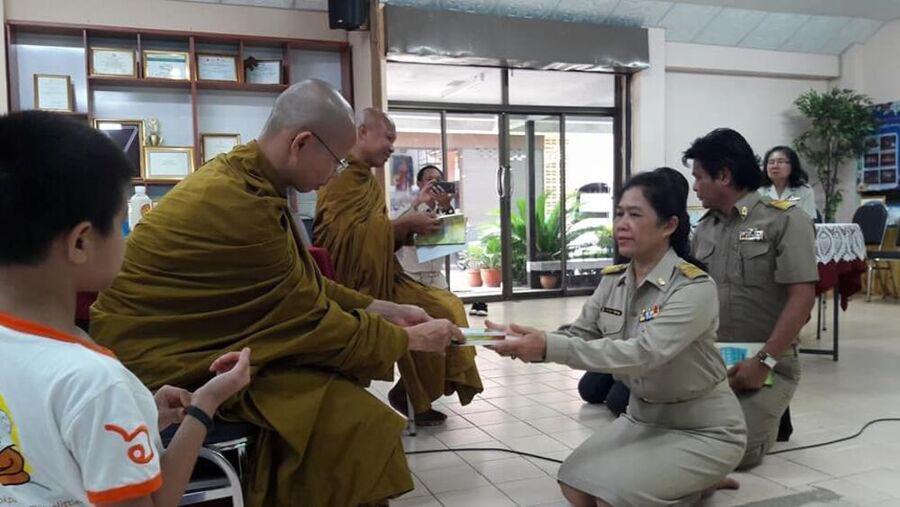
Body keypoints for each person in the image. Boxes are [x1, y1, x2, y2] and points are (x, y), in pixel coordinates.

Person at [90, 80, 463, 506]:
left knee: (347, 404)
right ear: (302, 144)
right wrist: (408, 339)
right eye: (336, 161)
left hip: (206, 341)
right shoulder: (238, 200)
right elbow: (307, 317)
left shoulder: (250, 178)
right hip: (164, 363)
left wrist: (386, 309)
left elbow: (301, 283)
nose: (334, 174)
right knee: (359, 423)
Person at [0, 110, 251, 505]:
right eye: (121, 224)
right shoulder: (98, 383)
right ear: (80, 242)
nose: (125, 238)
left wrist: (143, 414)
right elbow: (158, 500)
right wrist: (204, 405)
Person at [486, 167, 747, 506]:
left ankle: (698, 475)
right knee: (574, 486)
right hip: (642, 419)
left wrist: (548, 347)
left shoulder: (694, 288)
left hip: (703, 428)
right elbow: (580, 334)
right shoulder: (614, 280)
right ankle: (693, 483)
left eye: (635, 215)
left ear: (669, 225)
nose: (622, 224)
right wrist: (523, 338)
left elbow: (643, 353)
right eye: (620, 213)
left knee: (615, 499)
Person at [314, 109, 483, 427]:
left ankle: (413, 393)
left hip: (385, 274)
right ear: (362, 132)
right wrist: (405, 224)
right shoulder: (342, 177)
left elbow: (373, 234)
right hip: (357, 284)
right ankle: (413, 397)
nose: (392, 147)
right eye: (388, 138)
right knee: (441, 309)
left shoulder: (365, 179)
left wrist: (409, 226)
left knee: (449, 305)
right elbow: (341, 242)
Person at [687, 128, 817, 470]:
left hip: (765, 362)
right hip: (713, 361)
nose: (695, 187)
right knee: (664, 423)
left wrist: (763, 361)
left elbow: (803, 299)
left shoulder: (785, 220)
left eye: (699, 177)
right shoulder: (705, 228)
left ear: (724, 175)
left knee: (735, 451)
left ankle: (769, 411)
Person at [396, 165, 455, 289]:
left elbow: (454, 237)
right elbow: (396, 228)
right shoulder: (408, 207)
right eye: (429, 180)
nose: (434, 183)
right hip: (411, 278)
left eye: (438, 180)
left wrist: (446, 206)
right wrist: (418, 201)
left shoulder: (444, 209)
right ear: (419, 184)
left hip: (437, 279)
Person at [758, 145, 817, 219]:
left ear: (792, 165)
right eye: (771, 162)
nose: (775, 166)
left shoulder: (804, 191)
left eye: (780, 162)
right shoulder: (758, 191)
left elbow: (808, 220)